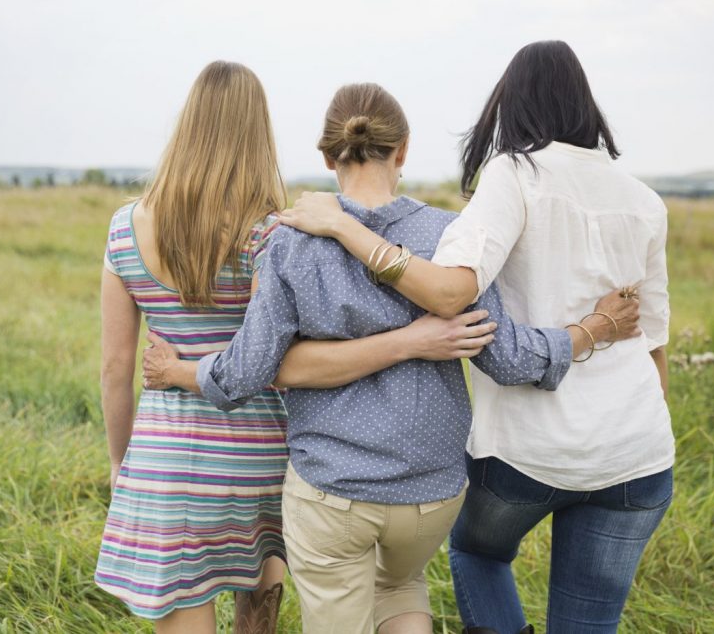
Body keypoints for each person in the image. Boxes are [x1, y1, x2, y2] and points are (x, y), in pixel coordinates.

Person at [142, 82, 641, 634]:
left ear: (327, 156)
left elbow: (247, 372)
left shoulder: (290, 241)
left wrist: (176, 371)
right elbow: (509, 359)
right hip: (431, 495)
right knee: (400, 586)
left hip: (333, 491)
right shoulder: (449, 235)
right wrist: (593, 330)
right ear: (402, 150)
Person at [279, 42, 673, 634]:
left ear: (509, 106)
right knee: (589, 622)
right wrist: (629, 412)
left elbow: (448, 294)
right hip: (637, 452)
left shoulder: (515, 172)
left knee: (477, 552)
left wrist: (340, 224)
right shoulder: (645, 200)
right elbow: (654, 339)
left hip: (532, 449)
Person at [94, 61, 292, 634]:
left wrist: (118, 459)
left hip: (171, 457)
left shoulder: (127, 226)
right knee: (262, 588)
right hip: (266, 450)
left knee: (185, 603)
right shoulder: (273, 230)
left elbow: (116, 366)